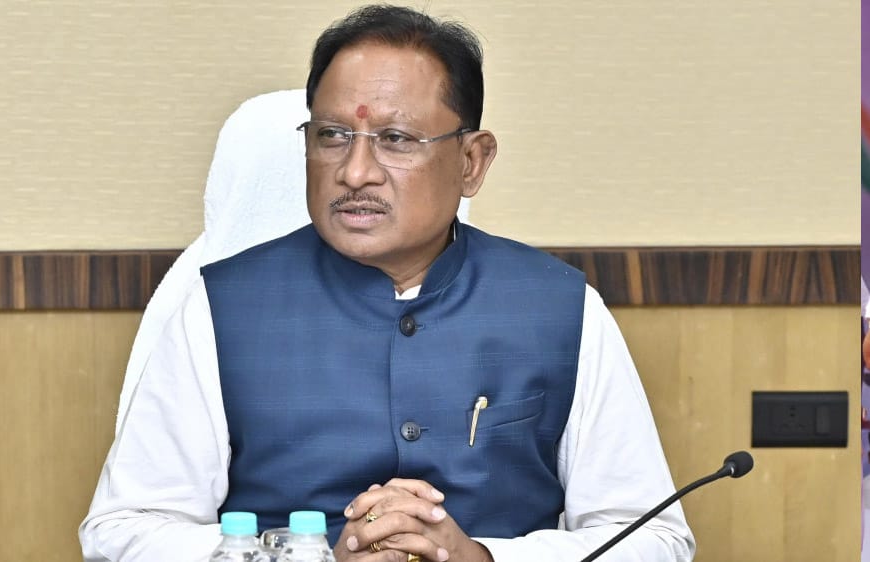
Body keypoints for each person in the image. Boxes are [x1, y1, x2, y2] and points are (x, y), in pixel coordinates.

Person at [80, 6, 694, 561]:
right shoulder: (220, 308)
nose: (355, 172)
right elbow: (123, 529)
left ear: (472, 161)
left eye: (396, 140)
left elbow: (653, 537)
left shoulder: (558, 307)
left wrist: (481, 559)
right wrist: (309, 557)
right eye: (332, 135)